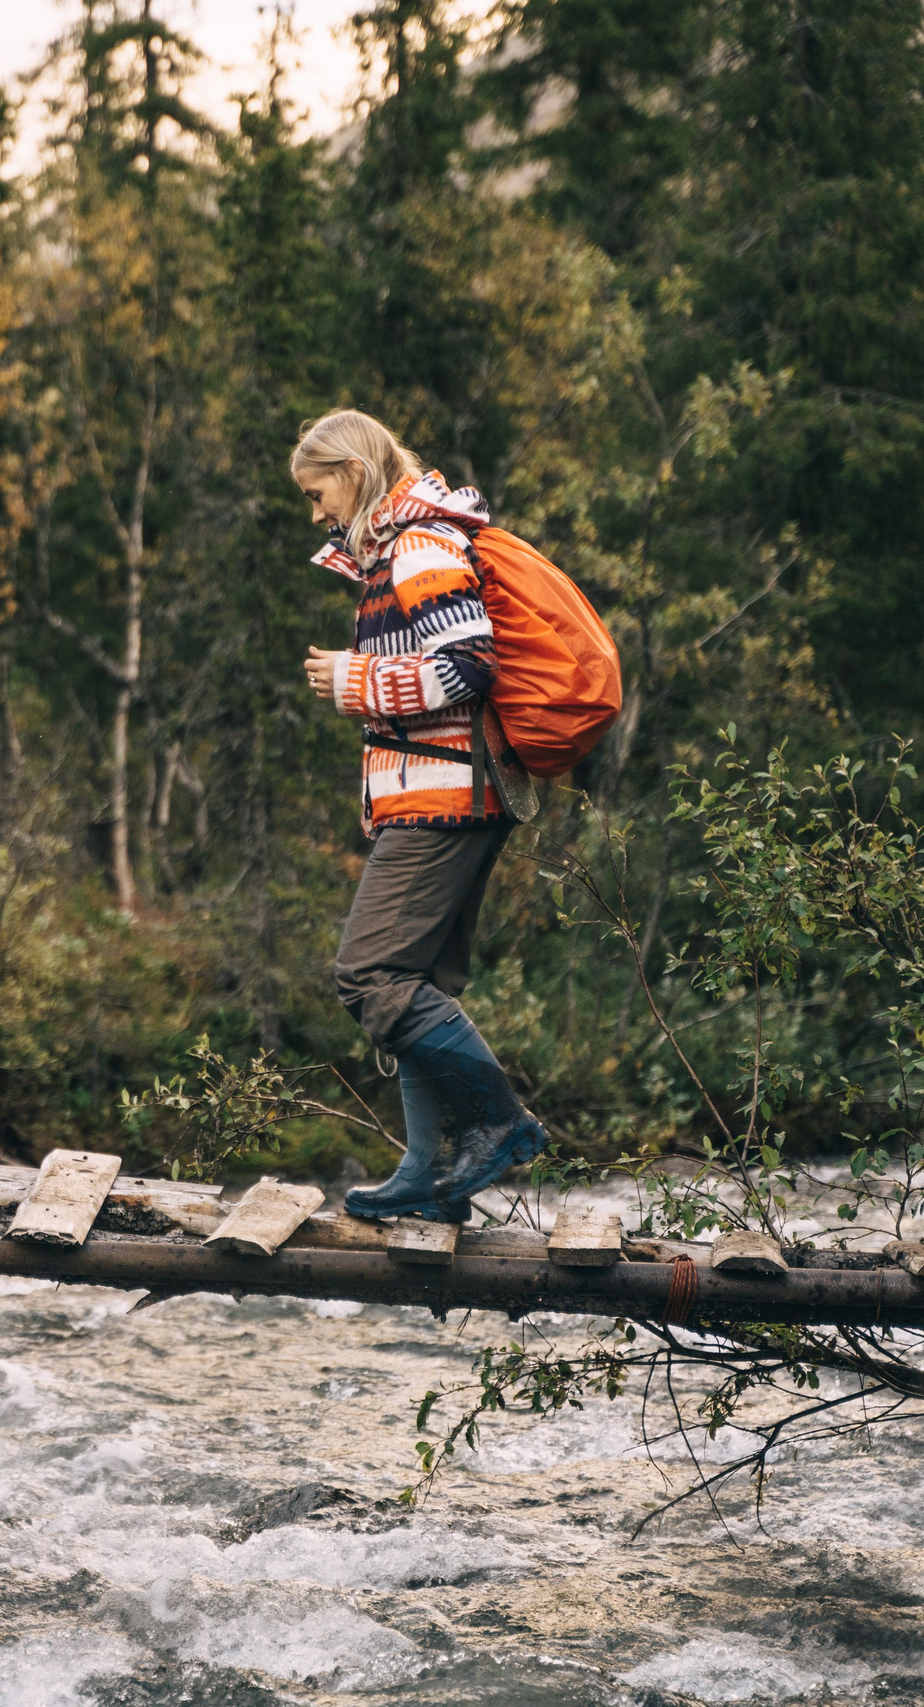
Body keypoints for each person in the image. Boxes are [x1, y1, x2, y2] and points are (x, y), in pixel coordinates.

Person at [293, 408, 547, 1224]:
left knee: (369, 973)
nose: (316, 512)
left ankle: (499, 1123)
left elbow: (469, 666)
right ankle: (433, 1178)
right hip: (442, 793)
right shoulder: (398, 549)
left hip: (445, 797)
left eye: (317, 490)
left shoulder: (421, 546)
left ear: (355, 473)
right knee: (419, 983)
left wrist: (353, 680)